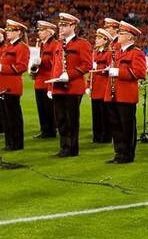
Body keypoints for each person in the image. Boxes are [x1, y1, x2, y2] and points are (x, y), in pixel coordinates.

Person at [47, 13, 92, 158]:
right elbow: (55, 66)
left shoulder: (82, 43)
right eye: (60, 25)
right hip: (58, 88)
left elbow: (87, 65)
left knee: (71, 119)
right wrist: (50, 87)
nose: (61, 28)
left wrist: (70, 74)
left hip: (73, 87)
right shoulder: (58, 44)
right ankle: (64, 147)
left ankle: (72, 148)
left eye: (64, 25)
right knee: (60, 118)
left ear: (73, 26)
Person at [105, 21, 147, 164]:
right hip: (113, 93)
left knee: (127, 126)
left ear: (130, 37)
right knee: (115, 126)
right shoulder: (116, 52)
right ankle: (119, 153)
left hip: (126, 95)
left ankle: (128, 154)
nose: (118, 35)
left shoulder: (137, 53)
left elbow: (140, 72)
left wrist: (119, 72)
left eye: (122, 33)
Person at [0, 20, 30, 152]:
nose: (7, 32)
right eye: (7, 30)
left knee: (13, 116)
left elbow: (22, 66)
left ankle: (17, 143)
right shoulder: (9, 46)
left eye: (10, 30)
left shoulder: (22, 47)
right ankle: (9, 142)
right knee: (6, 116)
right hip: (3, 85)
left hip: (12, 86)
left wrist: (2, 68)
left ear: (18, 32)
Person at [29, 20, 58, 139]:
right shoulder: (41, 44)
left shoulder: (55, 44)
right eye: (39, 30)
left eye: (42, 30)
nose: (39, 33)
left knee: (48, 108)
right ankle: (44, 129)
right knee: (41, 107)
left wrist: (42, 62)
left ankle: (50, 131)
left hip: (48, 80)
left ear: (50, 32)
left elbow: (55, 63)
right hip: (39, 80)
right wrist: (33, 69)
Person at [89, 28, 112, 144]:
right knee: (96, 113)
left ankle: (106, 136)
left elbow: (110, 68)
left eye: (99, 38)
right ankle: (97, 136)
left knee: (104, 114)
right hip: (95, 87)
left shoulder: (109, 53)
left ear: (105, 40)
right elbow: (91, 72)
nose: (96, 40)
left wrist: (101, 69)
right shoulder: (95, 53)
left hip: (104, 86)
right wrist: (88, 85)